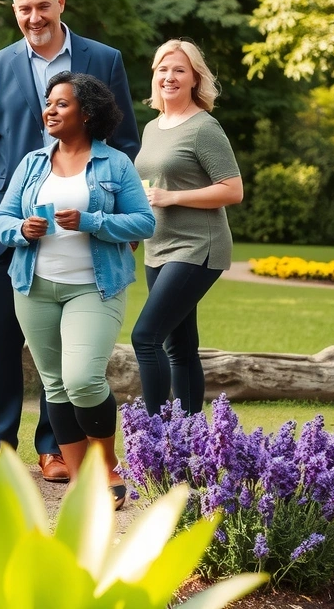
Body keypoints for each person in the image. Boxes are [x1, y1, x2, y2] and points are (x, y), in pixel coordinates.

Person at [0, 0, 141, 482]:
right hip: (7, 222)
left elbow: (125, 141)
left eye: (42, 6)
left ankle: (55, 450)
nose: (33, 17)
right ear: (13, 11)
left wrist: (104, 199)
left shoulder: (103, 60)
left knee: (64, 361)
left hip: (82, 227)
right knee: (2, 340)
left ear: (60, 3)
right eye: (23, 9)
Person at [0, 72, 154, 508]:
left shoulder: (115, 164)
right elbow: (1, 219)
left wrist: (92, 222)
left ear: (87, 113)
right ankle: (83, 482)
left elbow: (145, 222)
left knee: (82, 378)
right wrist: (21, 229)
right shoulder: (32, 163)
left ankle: (106, 465)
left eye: (61, 103)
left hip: (94, 287)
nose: (50, 109)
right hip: (33, 286)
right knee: (55, 385)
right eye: (48, 102)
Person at [132, 40, 243, 416]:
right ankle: (191, 440)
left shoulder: (204, 127)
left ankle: (156, 438)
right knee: (178, 347)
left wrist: (173, 198)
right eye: (163, 69)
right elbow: (147, 188)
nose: (169, 77)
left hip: (198, 246)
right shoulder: (153, 127)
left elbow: (233, 189)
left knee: (145, 337)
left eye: (179, 70)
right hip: (158, 246)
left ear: (195, 77)